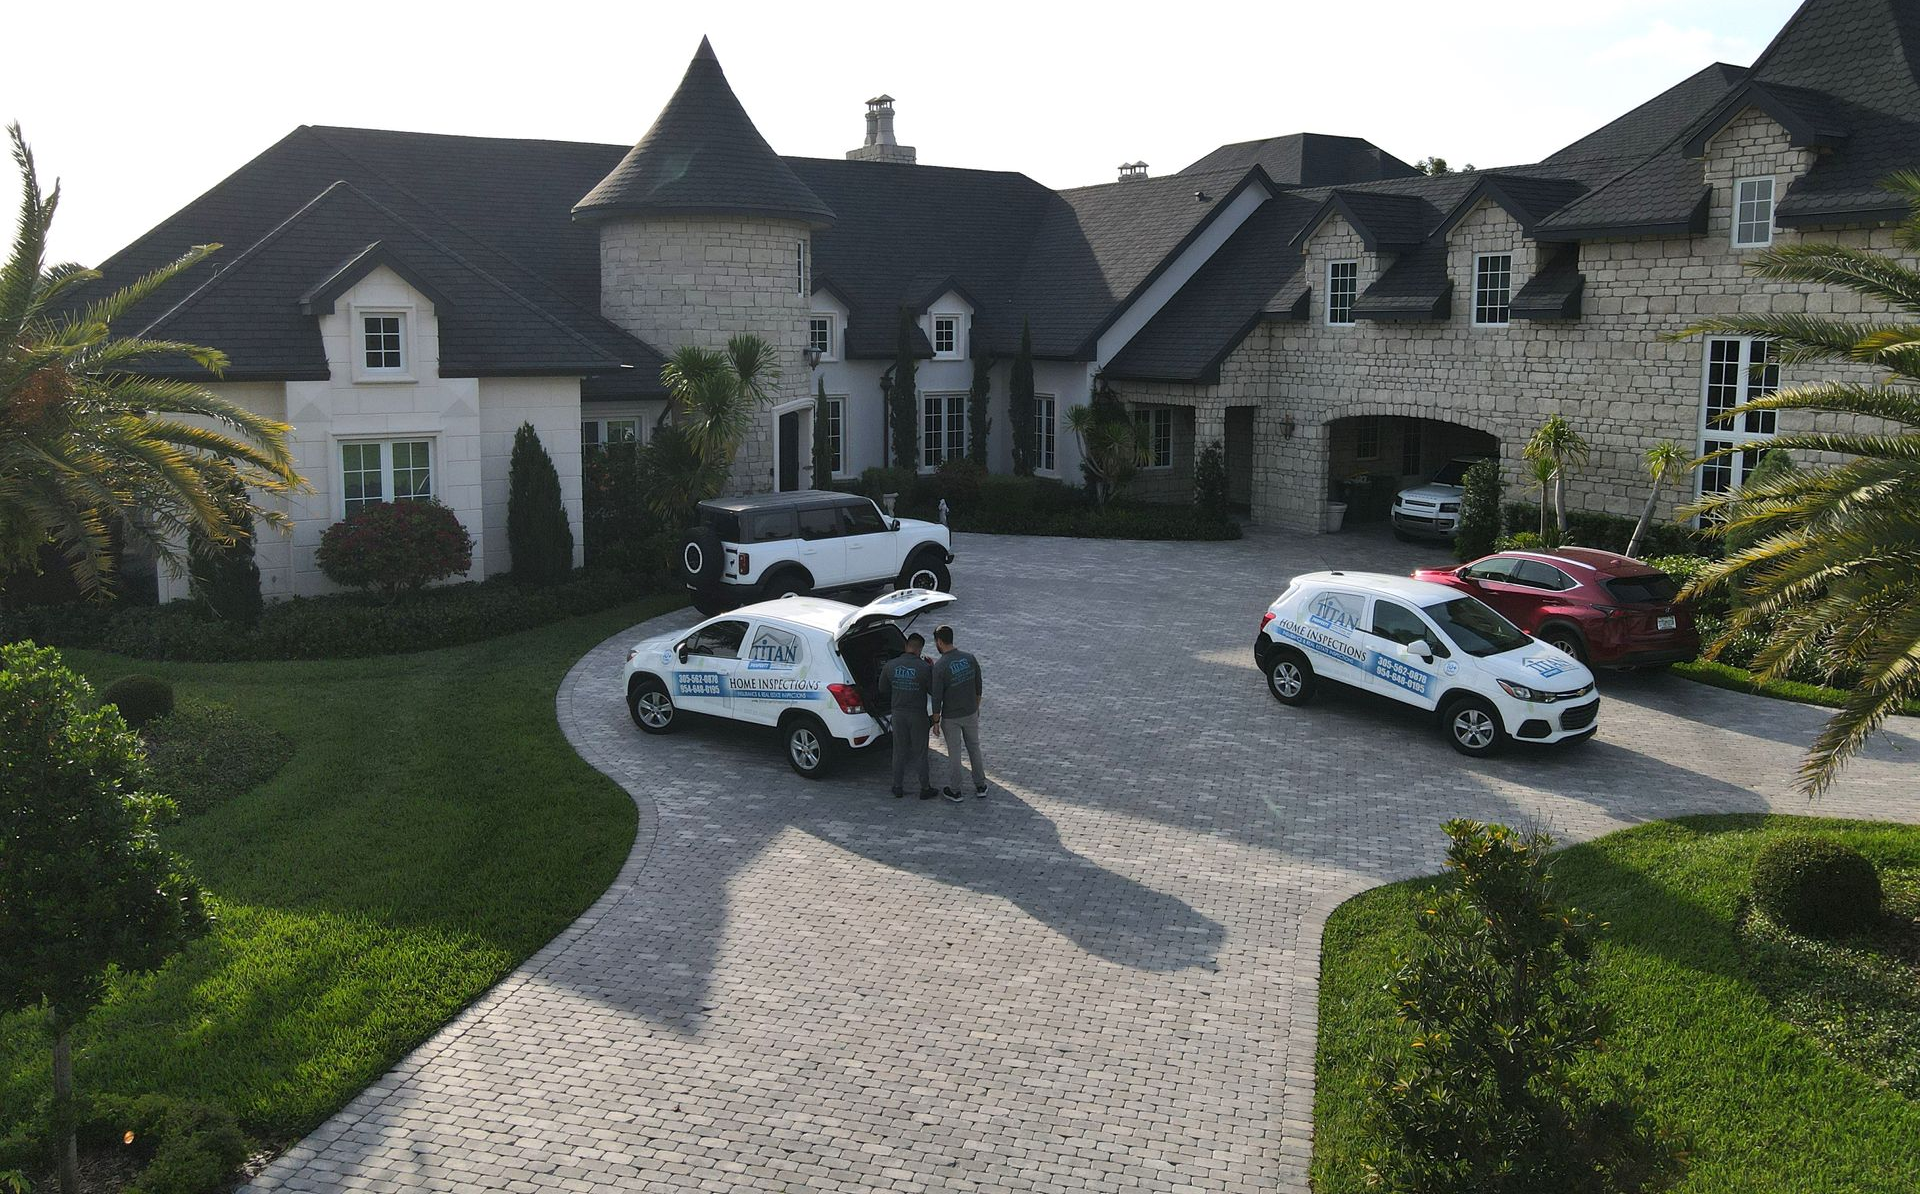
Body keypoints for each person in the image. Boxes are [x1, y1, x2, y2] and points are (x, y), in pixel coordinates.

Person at [929, 624, 987, 801]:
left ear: (939, 642)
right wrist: (975, 708)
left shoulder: (940, 666)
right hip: (970, 712)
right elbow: (979, 686)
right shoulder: (969, 658)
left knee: (954, 753)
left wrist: (936, 721)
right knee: (974, 748)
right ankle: (981, 785)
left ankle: (955, 790)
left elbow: (937, 697)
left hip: (951, 717)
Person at [876, 632, 936, 799]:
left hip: (898, 714)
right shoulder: (924, 668)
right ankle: (925, 788)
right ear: (920, 649)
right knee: (920, 752)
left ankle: (897, 786)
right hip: (918, 715)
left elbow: (882, 689)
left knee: (899, 751)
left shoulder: (890, 665)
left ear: (906, 646)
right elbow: (933, 691)